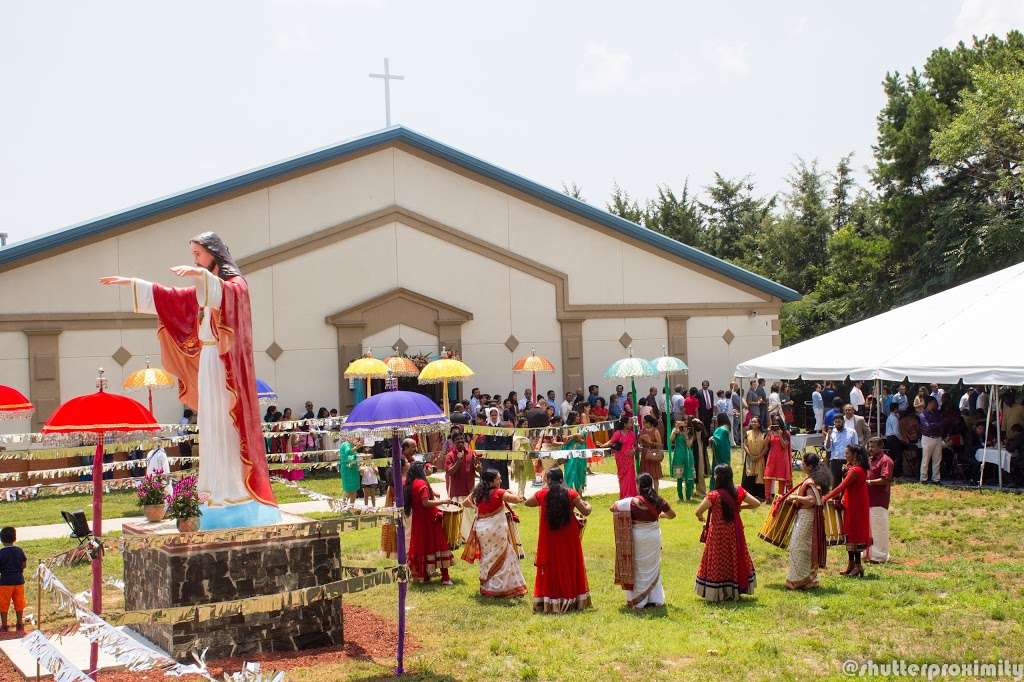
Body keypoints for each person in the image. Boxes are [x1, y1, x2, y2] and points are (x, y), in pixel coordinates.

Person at [101, 231, 279, 529]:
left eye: (198, 254)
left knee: (225, 422)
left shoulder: (235, 285)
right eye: (194, 255)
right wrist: (134, 284)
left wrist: (203, 277)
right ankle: (211, 490)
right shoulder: (207, 285)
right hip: (209, 361)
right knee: (209, 424)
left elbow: (228, 295)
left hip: (227, 368)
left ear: (214, 252)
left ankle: (233, 491)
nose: (194, 260)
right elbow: (174, 297)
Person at [526, 468, 592, 613]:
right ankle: (572, 600)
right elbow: (586, 511)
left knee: (550, 566)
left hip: (549, 539)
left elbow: (527, 503)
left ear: (548, 480)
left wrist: (544, 488)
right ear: (562, 480)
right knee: (568, 565)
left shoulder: (542, 494)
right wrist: (588, 504)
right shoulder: (571, 494)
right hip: (568, 539)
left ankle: (551, 601)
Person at [694, 464, 760, 602]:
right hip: (735, 532)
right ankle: (734, 589)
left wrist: (701, 518)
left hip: (718, 534)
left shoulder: (714, 495)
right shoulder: (738, 491)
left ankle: (718, 592)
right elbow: (756, 503)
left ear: (718, 477)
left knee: (718, 562)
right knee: (734, 558)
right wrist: (740, 507)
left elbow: (698, 511)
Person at [611, 473, 676, 608]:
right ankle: (655, 599)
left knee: (639, 567)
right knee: (653, 566)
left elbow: (612, 507)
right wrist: (661, 515)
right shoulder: (659, 501)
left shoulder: (631, 502)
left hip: (638, 537)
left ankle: (639, 601)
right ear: (651, 485)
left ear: (639, 486)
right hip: (654, 537)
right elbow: (672, 514)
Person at [461, 469, 527, 598]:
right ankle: (502, 588)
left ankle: (488, 587)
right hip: (497, 532)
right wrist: (519, 497)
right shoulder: (499, 492)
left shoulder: (477, 493)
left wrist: (476, 507)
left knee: (487, 557)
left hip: (482, 531)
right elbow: (513, 499)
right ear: (491, 481)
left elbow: (465, 503)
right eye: (498, 479)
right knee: (505, 556)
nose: (501, 481)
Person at [823, 444, 872, 578]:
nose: (845, 456)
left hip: (855, 506)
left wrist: (825, 497)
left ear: (855, 455)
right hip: (852, 504)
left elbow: (841, 487)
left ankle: (857, 566)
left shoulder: (855, 470)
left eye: (847, 454)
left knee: (854, 534)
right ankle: (852, 565)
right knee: (850, 534)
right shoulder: (856, 468)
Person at [785, 453, 831, 590]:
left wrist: (795, 498)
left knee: (799, 547)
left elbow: (812, 501)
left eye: (803, 463)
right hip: (806, 516)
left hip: (807, 517)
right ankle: (808, 579)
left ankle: (801, 580)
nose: (801, 465)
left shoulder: (812, 482)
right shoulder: (813, 478)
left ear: (809, 467)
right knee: (802, 547)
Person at [405, 463, 454, 584]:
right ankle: (445, 578)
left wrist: (435, 495)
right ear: (420, 470)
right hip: (430, 520)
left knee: (423, 546)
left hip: (418, 521)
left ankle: (424, 576)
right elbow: (425, 503)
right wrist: (443, 501)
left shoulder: (412, 484)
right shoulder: (422, 484)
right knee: (439, 545)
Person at [865, 438, 894, 564]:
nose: (870, 449)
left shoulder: (885, 461)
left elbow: (886, 479)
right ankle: (869, 553)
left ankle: (879, 556)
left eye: (873, 447)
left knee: (879, 529)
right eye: (869, 446)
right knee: (870, 528)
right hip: (868, 499)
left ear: (881, 447)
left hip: (879, 500)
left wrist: (869, 482)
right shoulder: (870, 460)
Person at [445, 432, 478, 543]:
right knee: (460, 518)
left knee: (471, 516)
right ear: (453, 442)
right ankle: (461, 539)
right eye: (457, 440)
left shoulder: (471, 453)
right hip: (457, 491)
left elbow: (478, 470)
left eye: (462, 439)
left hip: (470, 491)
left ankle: (471, 536)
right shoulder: (450, 455)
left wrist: (478, 465)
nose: (460, 441)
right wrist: (458, 460)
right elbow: (450, 472)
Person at [0, 527, 26, 633]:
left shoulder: (1, 553)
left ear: (1, 540)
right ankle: (19, 623)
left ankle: (4, 625)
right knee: (19, 603)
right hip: (19, 581)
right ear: (14, 538)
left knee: (3, 604)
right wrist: (19, 570)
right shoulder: (19, 550)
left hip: (5, 582)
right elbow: (24, 564)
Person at [606, 416, 639, 498]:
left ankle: (631, 495)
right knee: (623, 478)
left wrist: (633, 451)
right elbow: (610, 442)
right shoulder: (618, 433)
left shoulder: (632, 434)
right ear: (624, 424)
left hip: (630, 458)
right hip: (620, 459)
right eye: (630, 422)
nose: (631, 424)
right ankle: (624, 495)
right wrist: (602, 445)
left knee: (631, 477)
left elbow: (636, 446)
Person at [763, 415, 792, 501]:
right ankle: (767, 498)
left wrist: (780, 435)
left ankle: (780, 498)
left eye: (777, 424)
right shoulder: (770, 433)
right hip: (772, 457)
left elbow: (784, 446)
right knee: (768, 477)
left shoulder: (785, 433)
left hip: (782, 458)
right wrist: (768, 434)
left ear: (780, 424)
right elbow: (765, 444)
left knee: (781, 479)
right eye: (774, 423)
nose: (775, 425)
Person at [481, 407, 511, 489]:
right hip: (490, 458)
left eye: (495, 415)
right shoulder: (487, 427)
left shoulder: (501, 427)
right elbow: (486, 443)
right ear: (489, 416)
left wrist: (498, 454)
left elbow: (504, 442)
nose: (494, 417)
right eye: (492, 415)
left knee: (502, 476)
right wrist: (493, 455)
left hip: (500, 457)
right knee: (490, 476)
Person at [824, 413, 858, 486]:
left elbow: (856, 447)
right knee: (835, 484)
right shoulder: (831, 432)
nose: (837, 424)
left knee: (848, 484)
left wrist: (854, 462)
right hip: (835, 462)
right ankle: (836, 498)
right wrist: (829, 435)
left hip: (848, 461)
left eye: (839, 422)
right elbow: (828, 448)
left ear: (843, 422)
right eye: (835, 422)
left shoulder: (851, 432)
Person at [919, 397, 944, 484]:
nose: (935, 404)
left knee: (937, 459)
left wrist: (933, 424)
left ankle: (936, 479)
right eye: (934, 403)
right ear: (929, 403)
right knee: (926, 459)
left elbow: (942, 423)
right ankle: (923, 479)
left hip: (937, 437)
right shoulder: (923, 414)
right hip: (927, 438)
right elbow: (927, 426)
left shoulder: (937, 413)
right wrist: (936, 425)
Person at [561, 412, 588, 494]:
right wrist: (574, 436)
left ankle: (579, 491)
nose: (578, 418)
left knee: (580, 470)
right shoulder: (566, 427)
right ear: (572, 417)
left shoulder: (580, 427)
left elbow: (583, 440)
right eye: (577, 416)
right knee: (569, 470)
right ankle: (568, 491)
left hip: (580, 452)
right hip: (569, 452)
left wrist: (577, 438)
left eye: (579, 416)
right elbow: (564, 441)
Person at [740, 416, 767, 499]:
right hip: (750, 458)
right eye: (752, 422)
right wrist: (750, 455)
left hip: (760, 458)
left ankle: (759, 495)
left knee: (759, 477)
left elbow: (766, 447)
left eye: (755, 422)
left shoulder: (764, 434)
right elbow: (745, 444)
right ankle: (748, 495)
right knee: (749, 476)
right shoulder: (747, 433)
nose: (753, 423)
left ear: (759, 424)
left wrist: (759, 456)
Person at [669, 419, 695, 501]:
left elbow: (689, 445)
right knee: (679, 477)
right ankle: (680, 497)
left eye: (686, 424)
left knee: (689, 476)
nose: (684, 426)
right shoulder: (676, 430)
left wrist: (685, 436)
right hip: (678, 456)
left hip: (688, 456)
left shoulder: (690, 432)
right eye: (683, 424)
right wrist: (675, 430)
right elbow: (670, 440)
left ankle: (688, 496)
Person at [638, 414, 664, 482]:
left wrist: (650, 442)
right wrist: (640, 439)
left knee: (655, 477)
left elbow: (660, 445)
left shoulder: (655, 431)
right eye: (643, 422)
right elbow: (640, 443)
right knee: (644, 477)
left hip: (653, 455)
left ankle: (655, 492)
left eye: (645, 422)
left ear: (649, 423)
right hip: (645, 455)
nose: (643, 424)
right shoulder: (642, 430)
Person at [688, 418, 709, 497]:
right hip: (697, 453)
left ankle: (701, 491)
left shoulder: (698, 432)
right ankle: (697, 491)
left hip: (698, 454)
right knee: (696, 473)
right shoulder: (699, 431)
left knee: (699, 473)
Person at [338, 438, 361, 504]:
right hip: (347, 470)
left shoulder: (351, 445)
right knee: (348, 489)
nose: (355, 439)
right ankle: (344, 506)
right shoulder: (345, 444)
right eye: (354, 437)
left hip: (353, 469)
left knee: (354, 489)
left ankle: (351, 507)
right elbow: (348, 452)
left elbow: (353, 456)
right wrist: (357, 447)